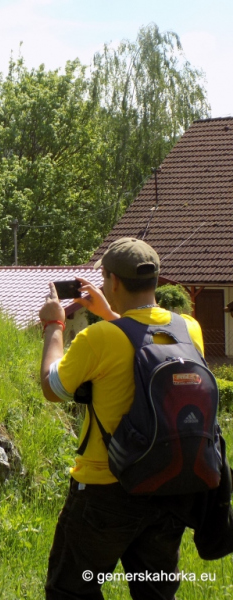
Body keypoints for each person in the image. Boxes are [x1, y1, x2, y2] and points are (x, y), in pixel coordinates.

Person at [38, 237, 205, 599]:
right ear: (156, 281)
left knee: (71, 590)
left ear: (112, 281)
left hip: (105, 489)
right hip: (169, 485)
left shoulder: (98, 337)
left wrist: (54, 325)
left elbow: (53, 387)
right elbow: (144, 343)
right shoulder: (189, 330)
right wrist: (113, 314)